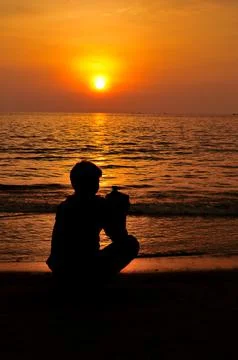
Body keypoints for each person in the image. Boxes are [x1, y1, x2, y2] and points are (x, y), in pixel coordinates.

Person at [46, 160, 139, 281]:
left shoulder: (65, 205)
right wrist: (121, 212)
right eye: (96, 180)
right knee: (131, 243)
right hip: (85, 267)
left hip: (60, 267)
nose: (98, 184)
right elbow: (119, 236)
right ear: (91, 183)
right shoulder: (98, 205)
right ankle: (98, 279)